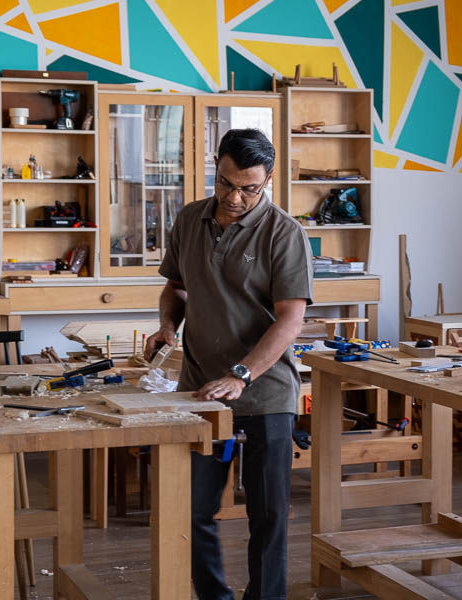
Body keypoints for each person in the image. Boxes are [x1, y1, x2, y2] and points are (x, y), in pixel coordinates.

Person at [147, 128, 313, 600]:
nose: (234, 197)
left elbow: (290, 321)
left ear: (268, 181)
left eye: (249, 188)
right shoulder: (190, 219)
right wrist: (166, 326)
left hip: (264, 396)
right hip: (200, 393)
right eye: (225, 183)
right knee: (192, 509)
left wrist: (240, 374)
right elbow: (176, 287)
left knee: (268, 515)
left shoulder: (285, 233)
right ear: (215, 169)